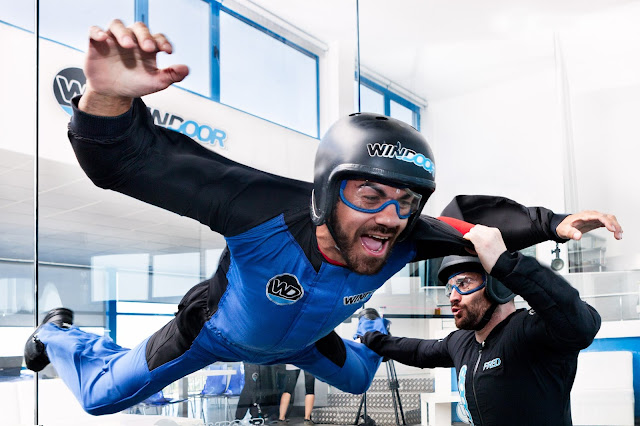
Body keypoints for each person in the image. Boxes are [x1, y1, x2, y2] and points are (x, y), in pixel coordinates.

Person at [23, 19, 623, 416]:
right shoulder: (261, 210)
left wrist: (552, 222)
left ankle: (361, 332)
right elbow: (129, 163)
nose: (389, 219)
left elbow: (476, 228)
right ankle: (56, 331)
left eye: (405, 201)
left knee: (361, 379)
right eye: (367, 196)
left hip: (309, 341)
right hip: (215, 335)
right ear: (324, 194)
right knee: (101, 399)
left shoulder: (408, 236)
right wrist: (107, 101)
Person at [361, 224, 603, 425]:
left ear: (497, 285)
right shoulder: (461, 343)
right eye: (450, 288)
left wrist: (508, 264)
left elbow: (580, 323)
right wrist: (373, 338)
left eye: (464, 283)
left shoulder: (532, 332)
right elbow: (418, 351)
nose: (453, 296)